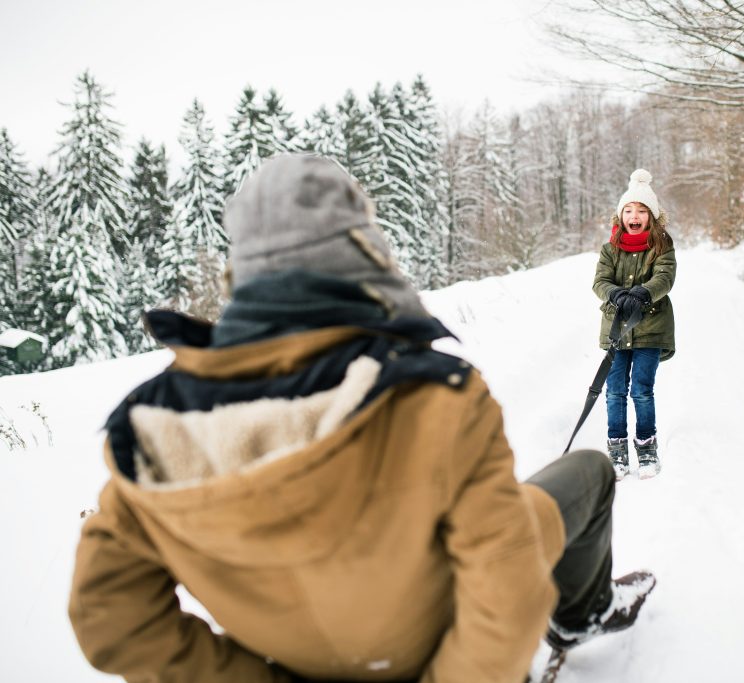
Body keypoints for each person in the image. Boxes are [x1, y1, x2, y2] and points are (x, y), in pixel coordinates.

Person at [68, 154, 655, 683]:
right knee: (590, 472)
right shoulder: (435, 398)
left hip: (297, 656)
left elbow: (109, 618)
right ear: (364, 252)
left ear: (241, 274)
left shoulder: (155, 432)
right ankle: (578, 617)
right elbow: (505, 576)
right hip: (444, 644)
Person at [593, 169, 677, 480]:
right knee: (614, 390)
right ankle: (616, 449)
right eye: (629, 210)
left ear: (651, 217)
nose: (635, 215)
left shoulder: (662, 247)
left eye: (641, 210)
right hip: (616, 331)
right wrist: (614, 293)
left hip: (650, 330)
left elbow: (664, 278)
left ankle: (646, 446)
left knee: (642, 390)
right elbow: (600, 281)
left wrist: (644, 292)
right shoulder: (610, 248)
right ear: (621, 215)